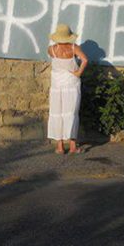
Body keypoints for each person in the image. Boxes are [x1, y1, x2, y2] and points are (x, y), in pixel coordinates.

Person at [47, 23, 88, 154]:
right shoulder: (74, 47)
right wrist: (78, 72)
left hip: (56, 84)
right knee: (71, 112)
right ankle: (72, 146)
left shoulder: (51, 49)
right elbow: (85, 60)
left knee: (57, 112)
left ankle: (59, 146)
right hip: (71, 83)